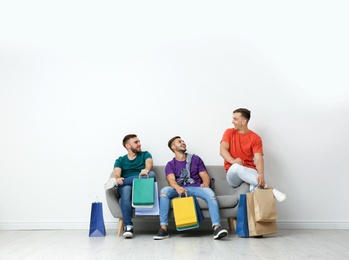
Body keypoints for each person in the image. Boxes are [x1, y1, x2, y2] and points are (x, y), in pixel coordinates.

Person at [153, 136, 228, 240]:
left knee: (211, 194)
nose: (183, 143)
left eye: (183, 141)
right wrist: (177, 188)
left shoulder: (195, 159)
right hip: (179, 188)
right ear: (173, 147)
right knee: (164, 192)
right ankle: (163, 228)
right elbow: (171, 180)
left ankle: (216, 228)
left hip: (196, 187)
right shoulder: (170, 164)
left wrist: (206, 182)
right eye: (180, 142)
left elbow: (205, 175)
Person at [220, 108, 286, 202]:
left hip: (249, 170)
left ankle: (255, 215)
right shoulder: (229, 132)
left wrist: (261, 175)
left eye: (235, 119)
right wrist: (233, 161)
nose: (232, 121)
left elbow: (259, 158)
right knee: (236, 167)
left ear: (244, 121)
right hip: (233, 175)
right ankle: (270, 189)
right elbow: (222, 150)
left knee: (255, 185)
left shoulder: (255, 138)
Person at [104, 134, 156, 238]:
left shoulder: (145, 154)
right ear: (128, 146)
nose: (139, 144)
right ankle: (128, 226)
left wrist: (146, 169)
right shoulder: (121, 160)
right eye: (136, 142)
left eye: (139, 141)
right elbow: (117, 173)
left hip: (142, 185)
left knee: (151, 174)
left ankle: (118, 183)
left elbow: (149, 164)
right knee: (126, 189)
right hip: (127, 187)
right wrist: (117, 178)